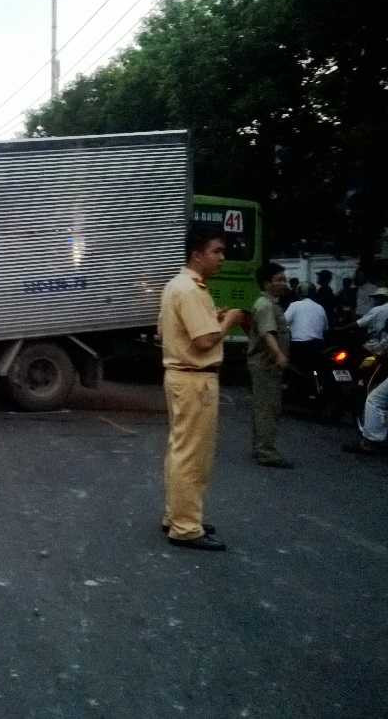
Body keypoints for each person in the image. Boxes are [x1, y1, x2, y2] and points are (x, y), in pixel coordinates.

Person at [158, 228, 246, 551]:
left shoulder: (175, 286)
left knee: (180, 450)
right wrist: (231, 320)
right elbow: (205, 340)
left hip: (180, 377)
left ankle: (177, 516)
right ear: (197, 254)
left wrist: (214, 319)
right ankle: (185, 527)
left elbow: (165, 330)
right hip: (195, 378)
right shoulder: (191, 290)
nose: (222, 258)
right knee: (192, 455)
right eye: (217, 251)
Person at [248, 262, 292, 468]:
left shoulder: (269, 304)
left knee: (263, 407)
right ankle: (267, 452)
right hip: (266, 365)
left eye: (284, 279)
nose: (284, 283)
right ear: (267, 284)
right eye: (279, 280)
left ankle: (260, 447)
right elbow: (268, 333)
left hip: (265, 365)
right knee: (268, 408)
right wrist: (279, 355)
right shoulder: (265, 306)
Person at [343, 287, 388, 455]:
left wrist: (339, 329)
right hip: (378, 347)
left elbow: (358, 324)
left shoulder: (377, 310)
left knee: (374, 399)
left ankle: (370, 441)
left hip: (374, 349)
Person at [284, 283, 329, 370]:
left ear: (298, 293)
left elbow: (282, 323)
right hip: (318, 345)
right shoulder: (320, 307)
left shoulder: (295, 305)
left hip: (300, 346)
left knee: (292, 368)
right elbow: (325, 328)